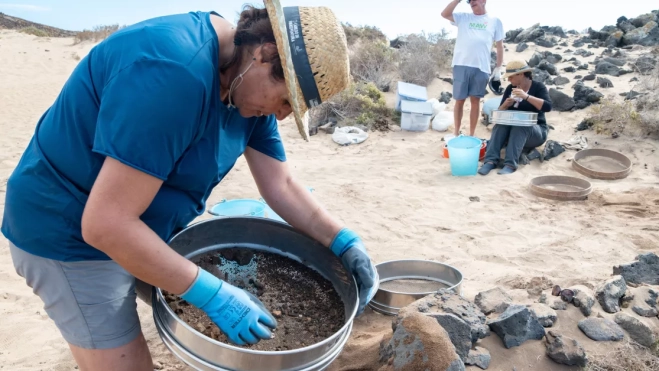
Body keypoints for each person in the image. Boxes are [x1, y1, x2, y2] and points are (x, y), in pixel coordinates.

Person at [1, 1, 378, 369]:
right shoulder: (172, 73)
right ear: (264, 54)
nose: (281, 116)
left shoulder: (242, 82)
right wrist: (213, 295)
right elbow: (106, 224)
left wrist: (342, 240)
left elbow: (281, 184)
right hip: (67, 232)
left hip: (137, 224)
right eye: (285, 101)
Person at [441, 0, 504, 137]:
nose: (471, 2)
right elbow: (445, 14)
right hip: (461, 64)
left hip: (481, 67)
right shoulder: (464, 17)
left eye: (474, 0)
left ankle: (471, 134)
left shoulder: (495, 21)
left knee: (475, 101)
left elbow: (499, 46)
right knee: (459, 100)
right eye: (469, 1)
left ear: (483, 1)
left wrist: (498, 68)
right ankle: (456, 132)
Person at [478, 60, 553, 175]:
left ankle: (510, 164)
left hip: (536, 131)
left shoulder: (538, 87)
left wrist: (526, 96)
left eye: (511, 77)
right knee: (500, 124)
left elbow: (548, 107)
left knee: (521, 125)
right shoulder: (510, 88)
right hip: (512, 131)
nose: (509, 80)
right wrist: (505, 105)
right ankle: (490, 161)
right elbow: (500, 112)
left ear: (521, 74)